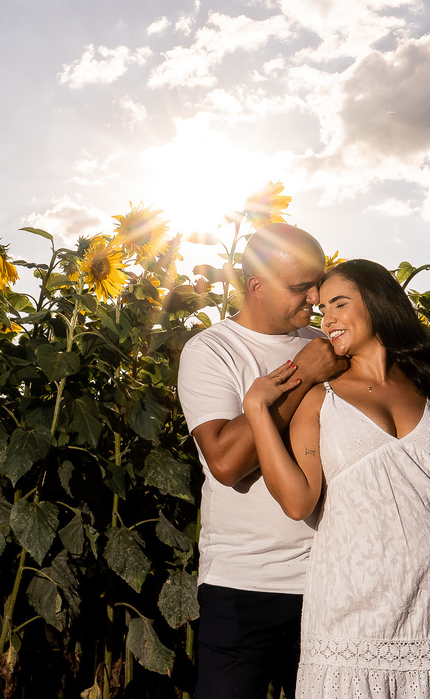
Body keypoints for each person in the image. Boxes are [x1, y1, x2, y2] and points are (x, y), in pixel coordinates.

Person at [244, 259, 430, 698]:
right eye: (323, 309)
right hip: (356, 611)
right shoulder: (318, 397)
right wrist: (257, 411)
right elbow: (297, 502)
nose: (326, 319)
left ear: (379, 305)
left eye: (339, 304)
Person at [177, 224, 346, 699]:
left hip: (333, 580)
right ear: (257, 287)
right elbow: (227, 464)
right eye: (300, 288)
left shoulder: (328, 343)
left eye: (319, 283)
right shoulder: (213, 351)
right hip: (244, 585)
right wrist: (306, 375)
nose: (316, 297)